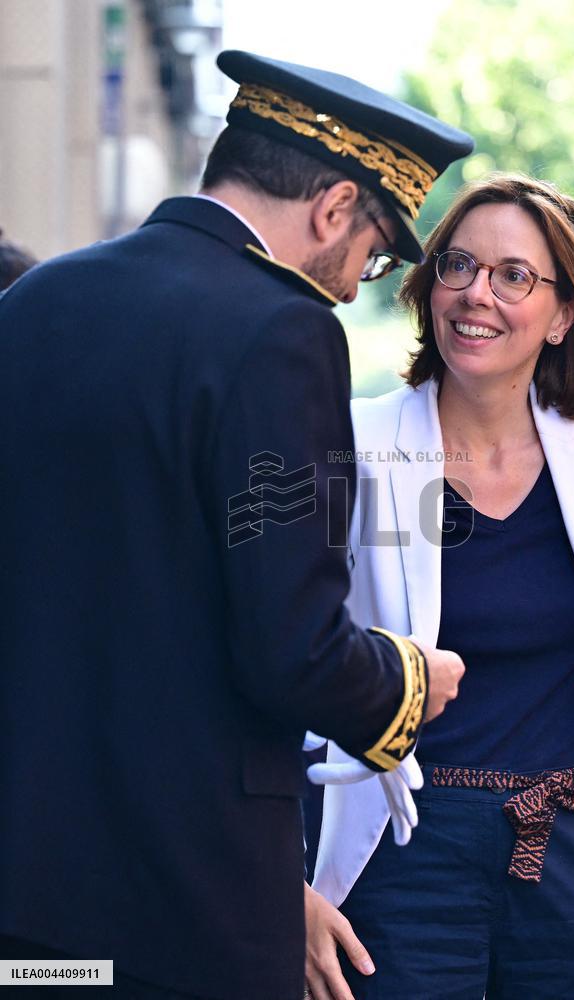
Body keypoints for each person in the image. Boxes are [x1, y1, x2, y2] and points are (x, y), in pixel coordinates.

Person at [0, 51, 472, 1000]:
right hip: (185, 907)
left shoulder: (35, 301)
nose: (353, 287)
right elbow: (288, 643)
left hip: (30, 897)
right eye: (375, 256)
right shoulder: (280, 331)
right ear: (335, 206)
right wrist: (409, 683)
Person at [304, 173, 574, 1000]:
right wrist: (283, 877)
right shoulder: (366, 450)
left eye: (514, 276)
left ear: (563, 315)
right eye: (457, 266)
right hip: (401, 847)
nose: (476, 294)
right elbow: (289, 651)